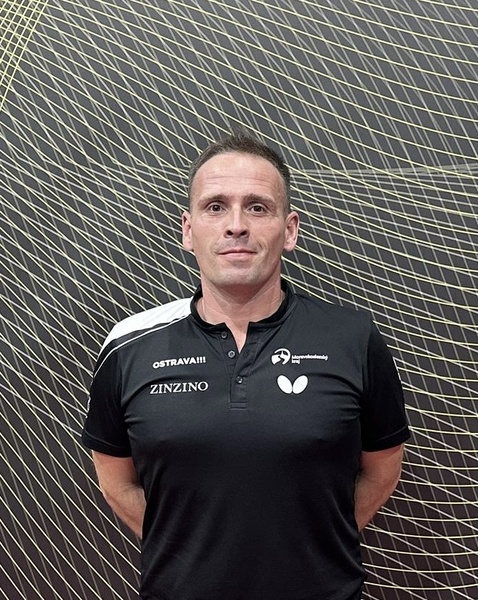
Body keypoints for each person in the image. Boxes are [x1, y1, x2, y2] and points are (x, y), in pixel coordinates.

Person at [82, 131, 410, 600]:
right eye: (216, 207)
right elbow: (116, 482)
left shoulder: (353, 339)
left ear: (289, 230)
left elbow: (382, 470)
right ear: (188, 230)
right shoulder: (128, 345)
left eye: (257, 207)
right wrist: (188, 552)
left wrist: (317, 543)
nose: (236, 225)